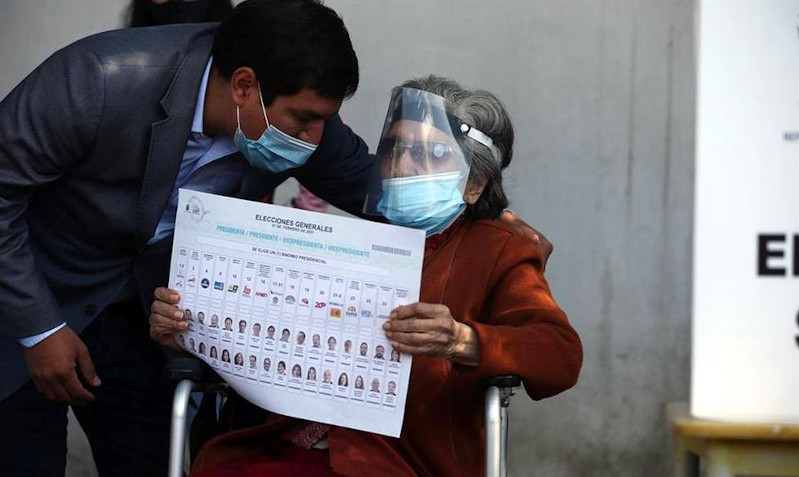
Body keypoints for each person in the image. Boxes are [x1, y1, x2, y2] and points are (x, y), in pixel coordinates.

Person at [0, 1, 372, 475]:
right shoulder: (100, 78)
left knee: (159, 460)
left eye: (324, 119)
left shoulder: (299, 113)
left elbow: (373, 191)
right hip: (27, 298)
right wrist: (40, 328)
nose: (314, 137)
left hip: (141, 319)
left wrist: (478, 208)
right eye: (303, 119)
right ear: (243, 85)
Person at [175, 77, 579, 477]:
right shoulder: (347, 245)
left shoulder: (496, 251)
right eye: (395, 149)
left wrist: (462, 340)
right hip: (282, 443)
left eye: (432, 153)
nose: (403, 164)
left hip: (398, 459)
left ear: (473, 184)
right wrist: (190, 324)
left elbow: (560, 355)